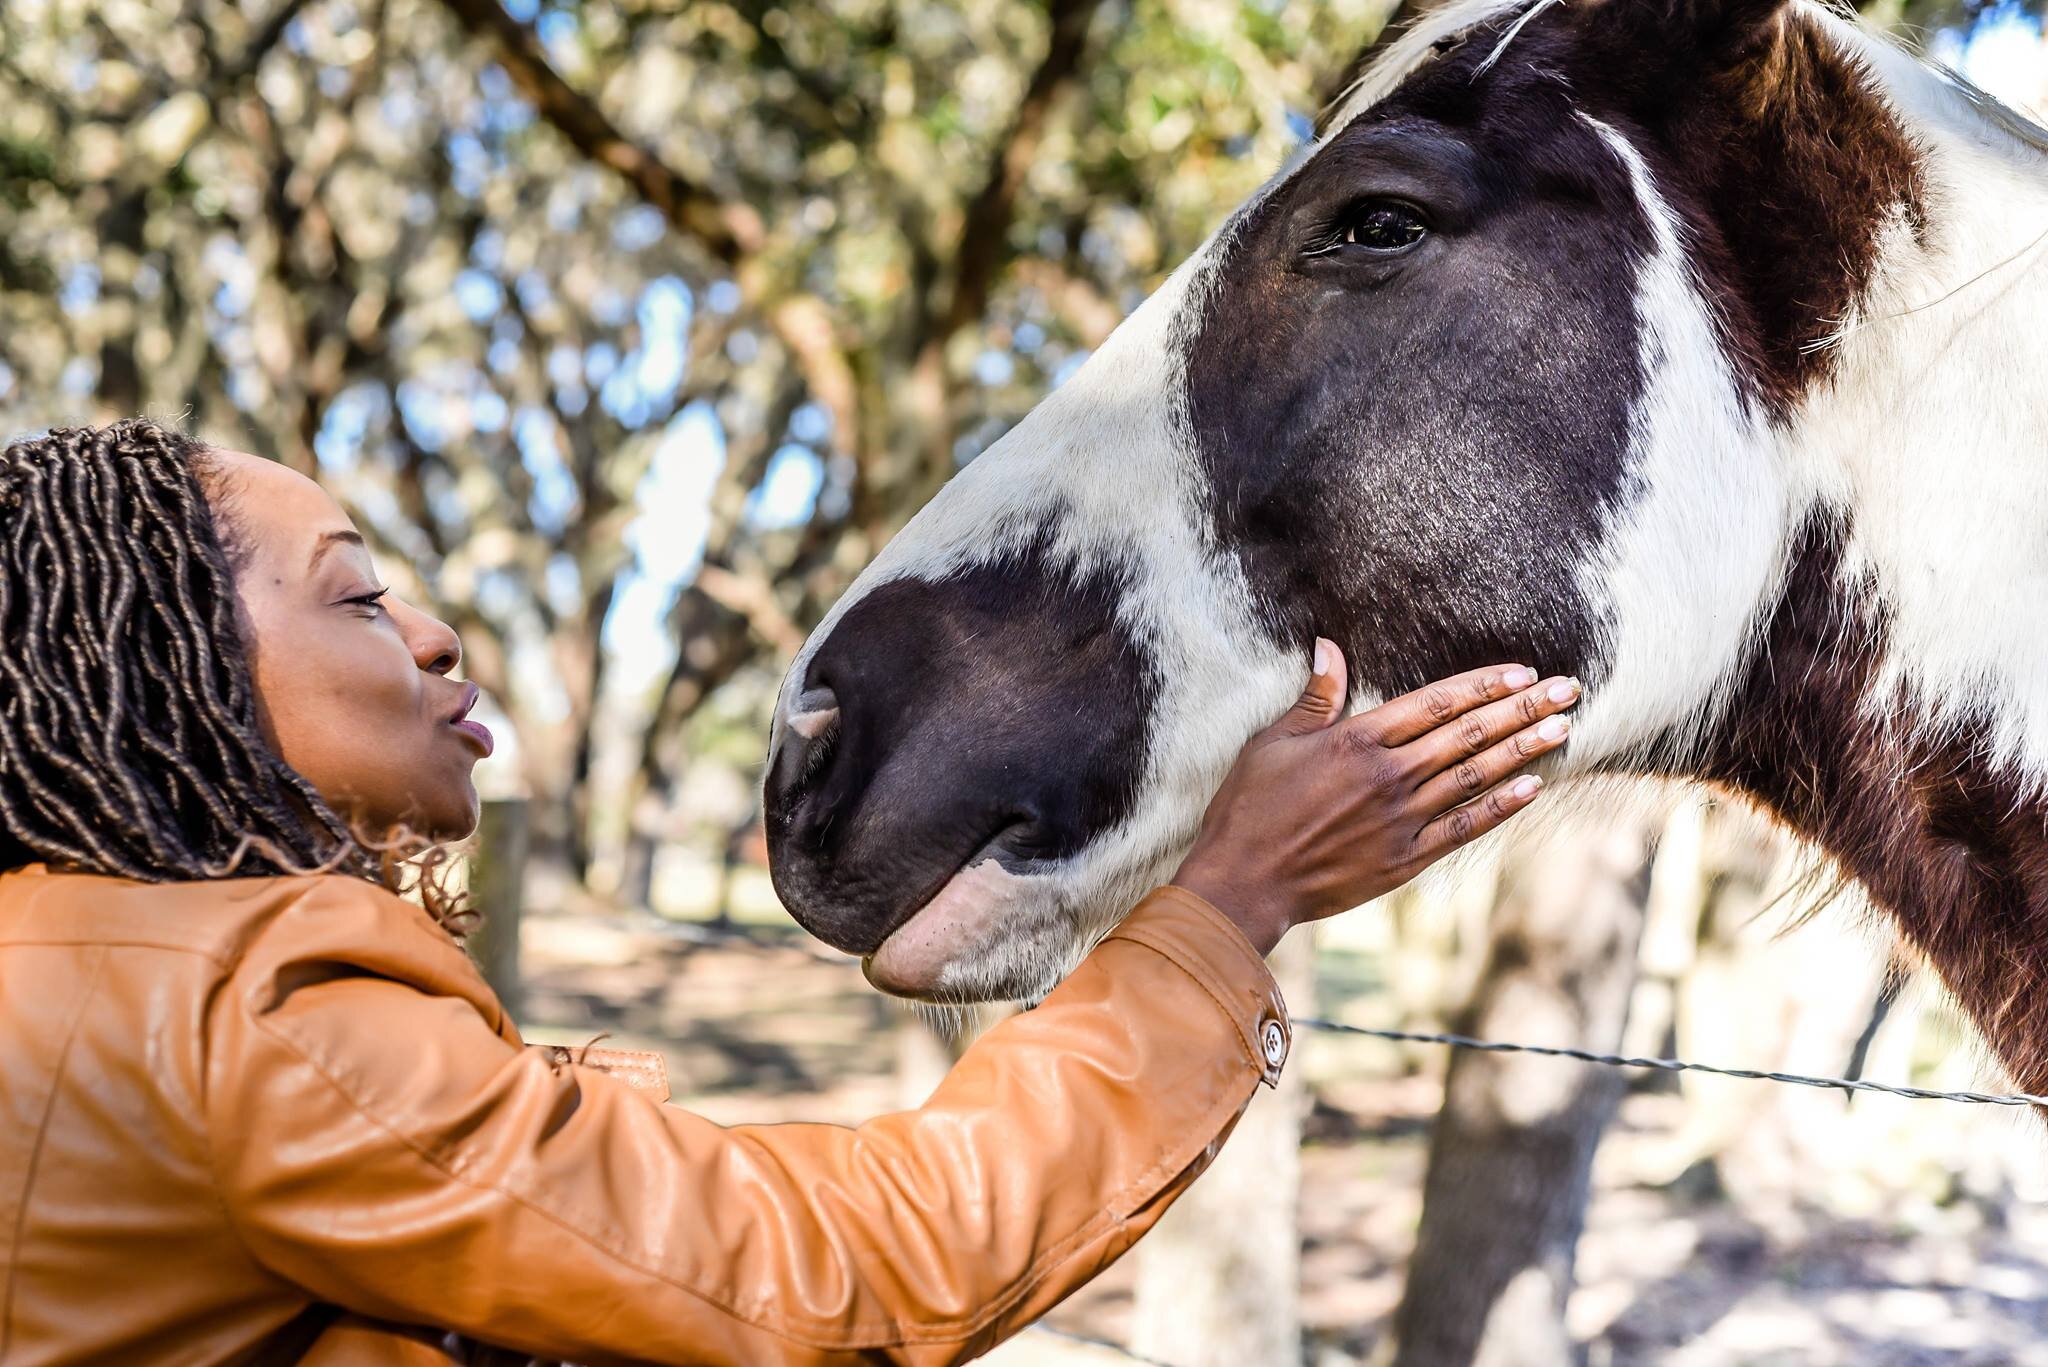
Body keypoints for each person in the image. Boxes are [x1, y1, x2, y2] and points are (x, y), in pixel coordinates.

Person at [0, 420, 1579, 1365]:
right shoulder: (241, 998)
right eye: (355, 591)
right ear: (155, 663)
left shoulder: (71, 950)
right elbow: (826, 1282)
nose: (432, 635)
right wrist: (1229, 903)